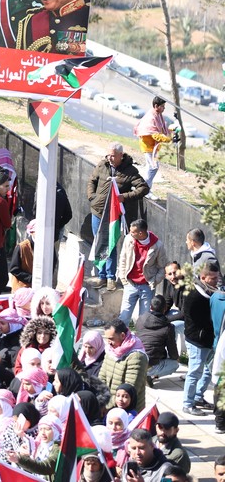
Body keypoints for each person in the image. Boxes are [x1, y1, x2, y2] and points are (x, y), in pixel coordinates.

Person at [88, 142, 150, 291]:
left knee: (110, 245)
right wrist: (92, 197)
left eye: (113, 155)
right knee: (99, 243)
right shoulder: (102, 165)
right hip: (98, 211)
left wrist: (124, 197)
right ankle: (101, 276)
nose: (110, 158)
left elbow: (143, 188)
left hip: (113, 215)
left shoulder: (130, 170)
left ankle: (110, 277)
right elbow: (92, 181)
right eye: (109, 155)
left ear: (121, 156)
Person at [182, 259, 220, 415]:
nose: (217, 281)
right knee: (195, 372)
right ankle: (188, 403)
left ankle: (198, 396)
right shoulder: (194, 295)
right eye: (213, 278)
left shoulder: (210, 291)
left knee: (209, 370)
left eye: (217, 277)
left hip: (208, 339)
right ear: (203, 277)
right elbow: (198, 320)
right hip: (197, 340)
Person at [118, 219, 169, 324]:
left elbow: (163, 266)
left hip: (147, 286)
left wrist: (154, 281)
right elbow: (123, 259)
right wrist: (123, 278)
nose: (130, 233)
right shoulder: (128, 239)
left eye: (133, 232)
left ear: (140, 233)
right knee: (124, 316)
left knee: (145, 319)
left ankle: (141, 335)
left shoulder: (157, 245)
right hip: (130, 283)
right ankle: (122, 335)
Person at [100, 319, 150, 410]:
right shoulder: (110, 351)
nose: (108, 342)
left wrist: (107, 405)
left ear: (122, 335)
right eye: (107, 338)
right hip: (109, 406)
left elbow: (129, 391)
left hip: (127, 410)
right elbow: (101, 378)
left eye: (111, 338)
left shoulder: (136, 357)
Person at [135, 295, 179, 386]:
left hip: (135, 360)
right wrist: (176, 358)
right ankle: (148, 374)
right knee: (175, 364)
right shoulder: (168, 327)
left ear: (150, 307)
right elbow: (173, 353)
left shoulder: (140, 319)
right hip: (149, 364)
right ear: (165, 309)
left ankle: (144, 373)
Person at [134, 97, 174, 187]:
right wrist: (168, 139)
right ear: (156, 106)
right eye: (162, 106)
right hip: (148, 146)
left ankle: (144, 188)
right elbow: (155, 135)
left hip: (152, 147)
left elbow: (162, 130)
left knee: (150, 168)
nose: (164, 108)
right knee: (153, 167)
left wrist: (171, 131)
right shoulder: (151, 117)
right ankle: (144, 188)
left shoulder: (158, 115)